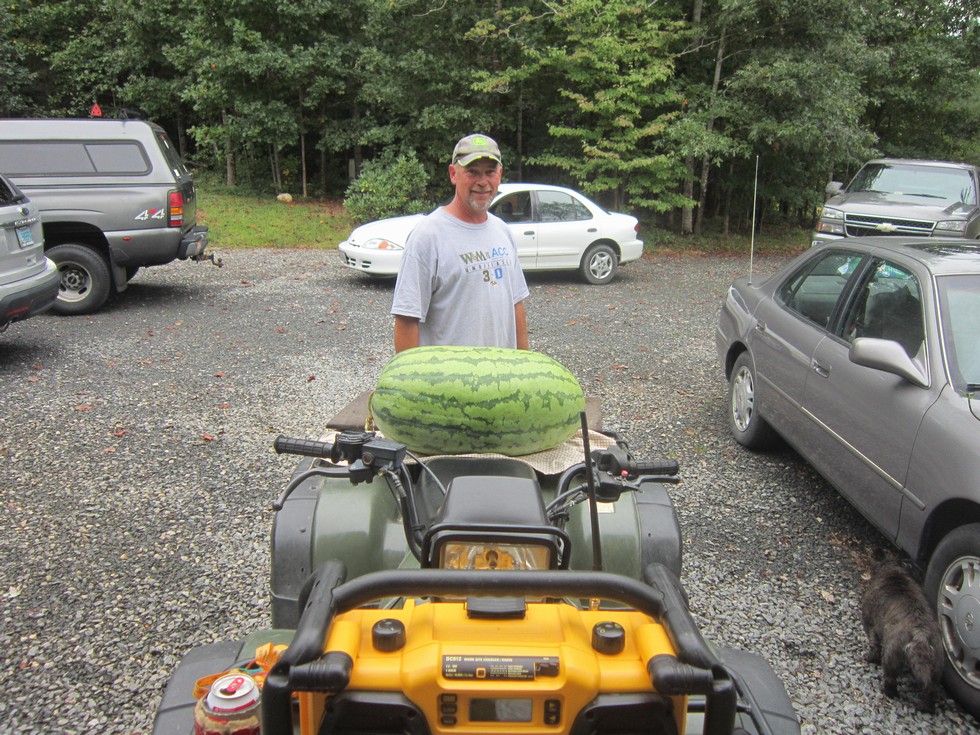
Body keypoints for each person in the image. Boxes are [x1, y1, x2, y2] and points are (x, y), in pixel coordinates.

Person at [390, 134, 529, 352]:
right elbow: (407, 318)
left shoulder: (503, 231)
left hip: (501, 371)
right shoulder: (428, 236)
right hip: (448, 374)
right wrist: (410, 374)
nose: (482, 182)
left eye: (490, 172)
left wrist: (524, 364)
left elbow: (516, 303)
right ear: (453, 174)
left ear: (500, 175)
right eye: (472, 172)